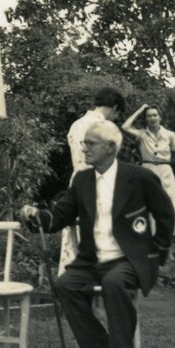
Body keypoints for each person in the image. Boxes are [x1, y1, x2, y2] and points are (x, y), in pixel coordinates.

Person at [20, 120, 174, 348]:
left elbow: (166, 214)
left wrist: (156, 252)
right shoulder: (82, 180)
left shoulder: (140, 177)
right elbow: (59, 216)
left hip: (129, 260)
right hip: (92, 261)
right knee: (65, 284)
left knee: (115, 282)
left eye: (90, 144)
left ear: (110, 148)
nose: (84, 149)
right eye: (84, 143)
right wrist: (36, 215)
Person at [60, 87, 127, 269]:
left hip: (77, 183)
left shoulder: (76, 125)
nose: (116, 119)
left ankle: (74, 281)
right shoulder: (106, 127)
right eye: (117, 114)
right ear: (114, 108)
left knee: (74, 236)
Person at [121, 103, 175, 236]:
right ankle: (152, 240)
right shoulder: (141, 135)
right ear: (145, 119)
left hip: (165, 171)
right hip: (148, 170)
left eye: (155, 115)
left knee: (169, 202)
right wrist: (140, 109)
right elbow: (125, 127)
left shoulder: (170, 135)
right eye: (149, 116)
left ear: (160, 117)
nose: (152, 118)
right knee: (150, 204)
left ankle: (169, 244)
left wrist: (165, 165)